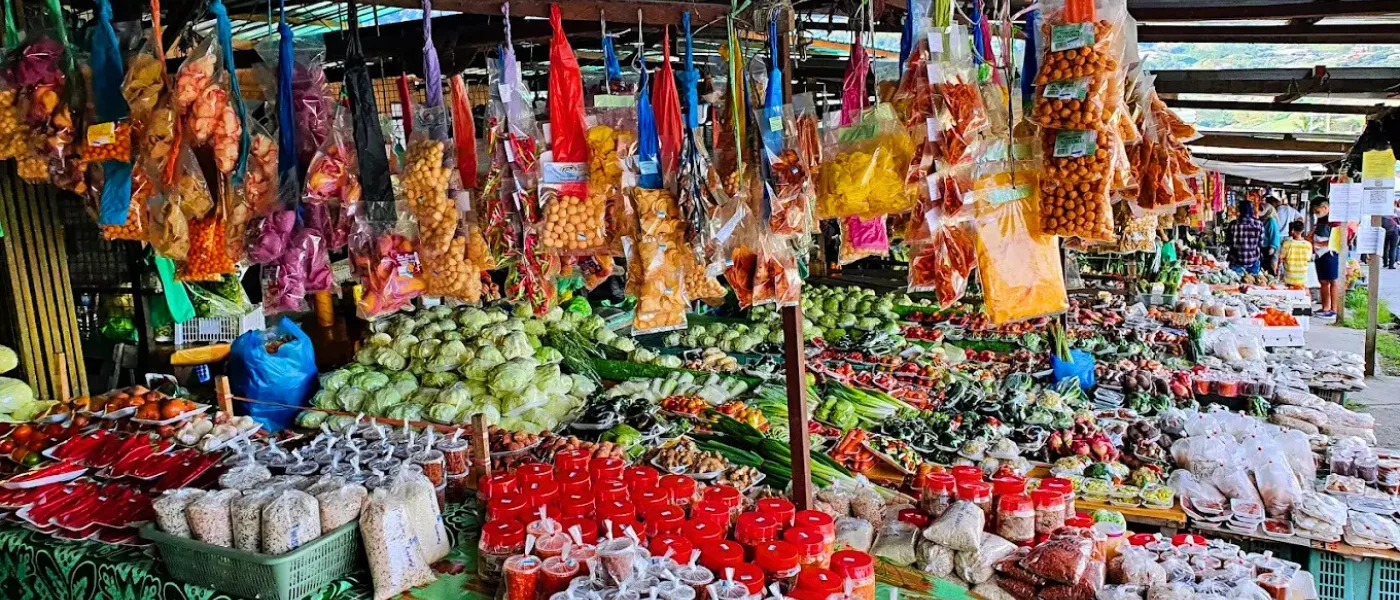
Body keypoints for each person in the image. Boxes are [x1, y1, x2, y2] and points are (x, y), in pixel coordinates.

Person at [1312, 198, 1340, 318]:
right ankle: (1325, 307)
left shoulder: (1335, 221)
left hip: (1330, 254)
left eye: (1317, 211)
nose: (1315, 214)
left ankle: (1334, 310)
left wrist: (1317, 244)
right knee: (1323, 281)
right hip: (1319, 254)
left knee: (1333, 281)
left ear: (1325, 208)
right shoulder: (1320, 220)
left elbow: (1336, 240)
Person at [1226, 201, 1265, 274]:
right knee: (1253, 284)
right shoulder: (1259, 224)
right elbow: (1261, 243)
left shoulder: (1233, 224)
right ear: (1252, 210)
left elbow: (1228, 242)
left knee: (1235, 284)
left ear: (1240, 210)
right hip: (1253, 261)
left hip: (1236, 261)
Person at [1279, 220, 1312, 287]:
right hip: (1302, 278)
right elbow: (1308, 259)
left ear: (1292, 231)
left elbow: (1281, 258)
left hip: (1289, 278)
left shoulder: (1287, 244)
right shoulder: (1308, 245)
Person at [1258, 202, 1279, 275]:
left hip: (1268, 248)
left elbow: (1275, 235)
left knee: (1268, 267)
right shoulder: (1262, 220)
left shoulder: (1271, 221)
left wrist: (1272, 247)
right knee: (1262, 267)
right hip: (1262, 247)